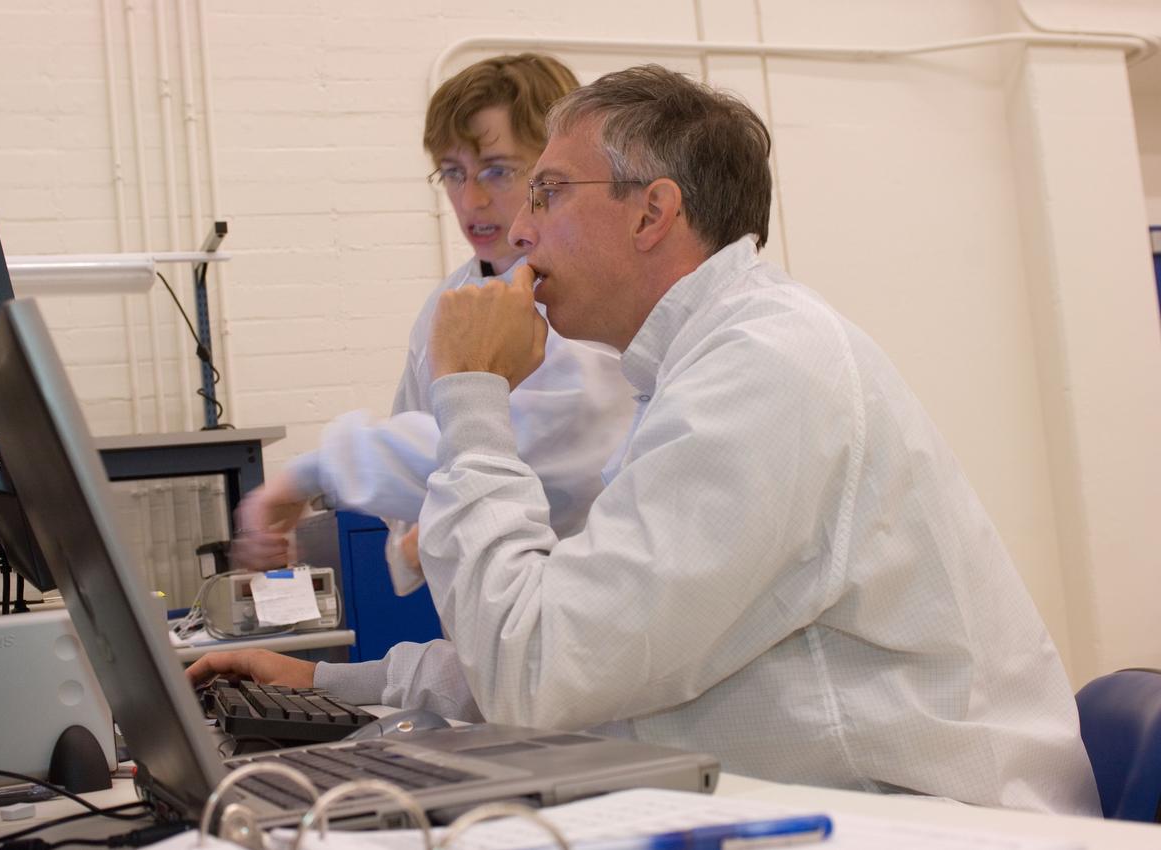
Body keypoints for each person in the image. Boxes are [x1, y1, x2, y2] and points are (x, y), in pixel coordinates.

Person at [403, 65, 1098, 813]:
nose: (518, 230)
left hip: (933, 823)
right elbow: (600, 652)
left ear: (652, 213)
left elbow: (539, 673)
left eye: (548, 192)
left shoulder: (763, 370)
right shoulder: (708, 364)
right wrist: (346, 684)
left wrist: (472, 394)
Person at [185, 55, 635, 720]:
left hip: (589, 664)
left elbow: (528, 444)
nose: (471, 200)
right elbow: (432, 439)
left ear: (552, 169)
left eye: (497, 170)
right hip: (502, 660)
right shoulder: (453, 299)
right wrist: (419, 529)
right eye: (452, 172)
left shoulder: (579, 302)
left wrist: (308, 475)